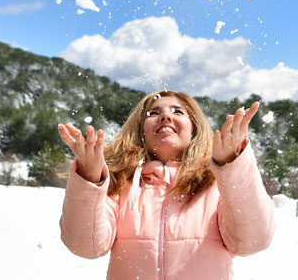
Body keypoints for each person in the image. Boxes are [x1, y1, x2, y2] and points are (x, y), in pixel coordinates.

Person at [58, 90, 274, 280]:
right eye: (153, 113)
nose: (165, 116)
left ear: (194, 130)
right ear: (141, 131)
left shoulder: (217, 184)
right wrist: (89, 177)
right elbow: (85, 245)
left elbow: (252, 241)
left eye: (178, 111)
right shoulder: (121, 186)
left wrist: (232, 166)